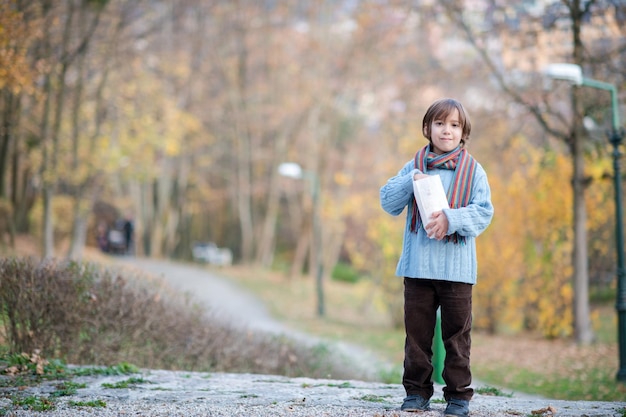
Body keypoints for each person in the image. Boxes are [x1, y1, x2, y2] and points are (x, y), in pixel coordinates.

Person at [379, 98, 494, 417]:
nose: (447, 130)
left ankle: (458, 397)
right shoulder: (415, 164)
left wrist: (451, 219)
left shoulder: (473, 171)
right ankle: (416, 393)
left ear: (464, 132)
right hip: (418, 268)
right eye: (440, 124)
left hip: (456, 271)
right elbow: (388, 202)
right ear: (427, 128)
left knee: (457, 338)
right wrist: (410, 179)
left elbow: (483, 213)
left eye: (455, 125)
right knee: (417, 337)